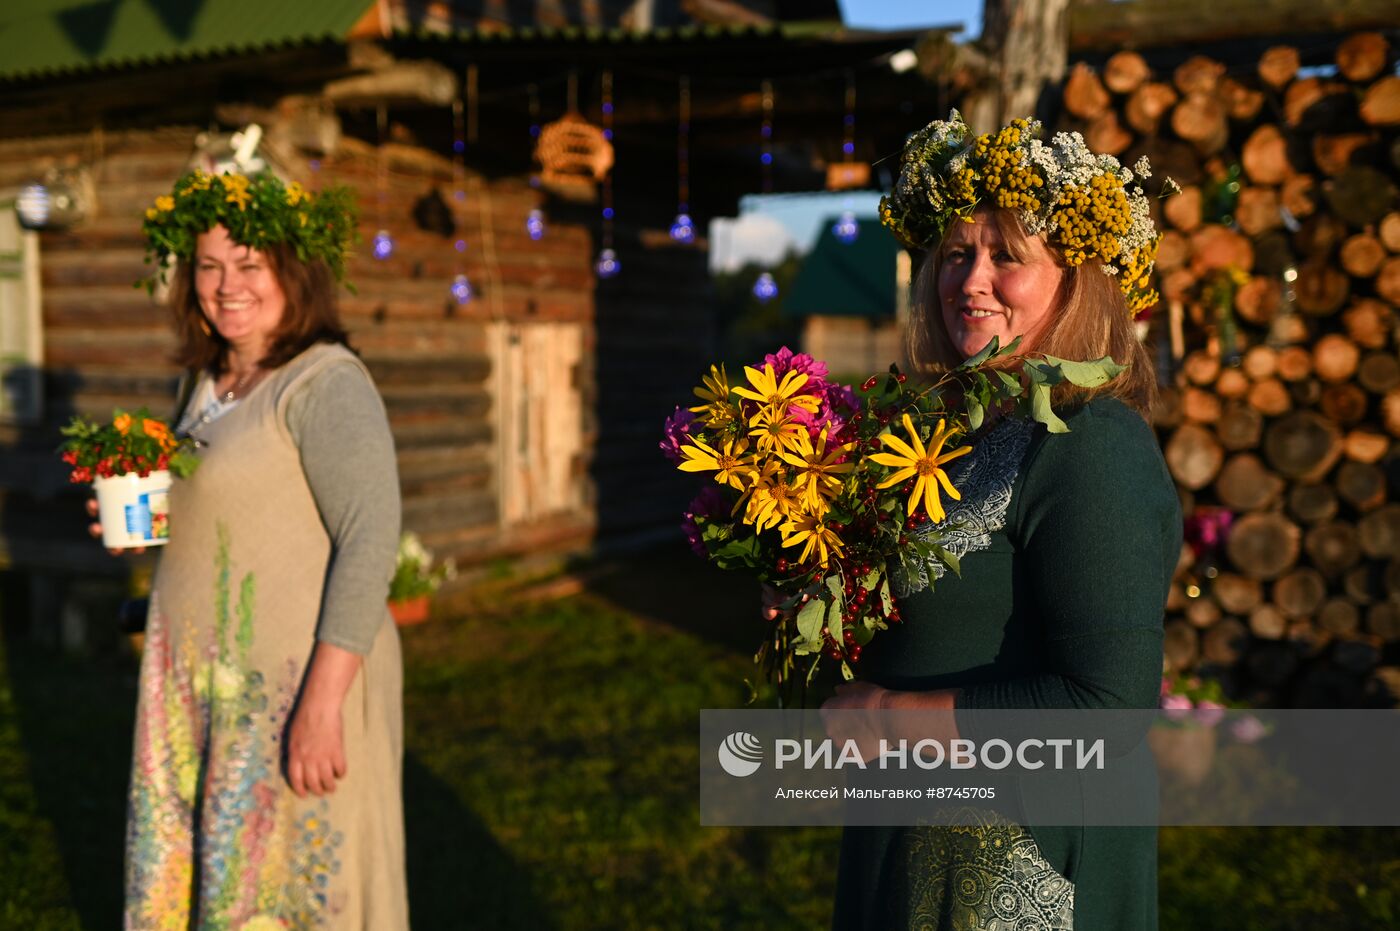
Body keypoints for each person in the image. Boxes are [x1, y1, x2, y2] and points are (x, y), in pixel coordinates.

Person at [813, 114, 1182, 929]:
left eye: (1006, 256)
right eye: (956, 254)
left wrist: (885, 719)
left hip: (1019, 863)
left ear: (1075, 281)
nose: (971, 280)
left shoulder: (1090, 442)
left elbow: (1107, 706)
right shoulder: (961, 430)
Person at [106, 170, 407, 929]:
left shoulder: (324, 382)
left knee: (291, 886)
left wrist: (322, 705)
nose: (226, 285)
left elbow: (370, 537)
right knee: (225, 879)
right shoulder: (207, 384)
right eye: (208, 266)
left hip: (295, 686)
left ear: (293, 272)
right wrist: (143, 519)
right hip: (206, 689)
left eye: (248, 264)